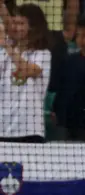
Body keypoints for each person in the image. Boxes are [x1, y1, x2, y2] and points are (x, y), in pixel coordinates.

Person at [0, 2, 51, 143]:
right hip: (3, 129)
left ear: (33, 27)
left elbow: (26, 70)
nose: (15, 28)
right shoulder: (4, 54)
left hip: (29, 131)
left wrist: (6, 44)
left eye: (21, 24)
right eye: (14, 23)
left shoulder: (43, 54)